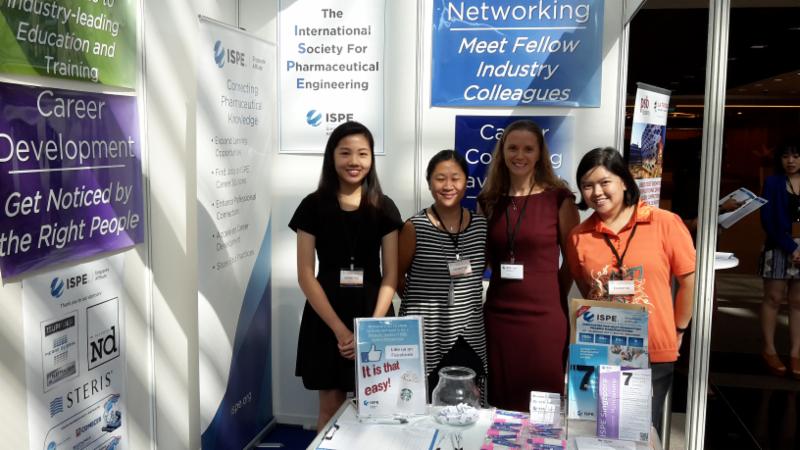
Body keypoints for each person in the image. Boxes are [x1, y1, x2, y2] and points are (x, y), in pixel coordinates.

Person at [565, 147, 696, 439]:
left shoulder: (664, 223)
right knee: (599, 433)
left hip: (652, 348)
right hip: (599, 349)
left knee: (638, 434)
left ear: (624, 181)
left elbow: (689, 282)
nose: (597, 192)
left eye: (604, 182)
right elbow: (587, 289)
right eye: (587, 185)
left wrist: (679, 328)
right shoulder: (579, 236)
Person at [289, 121, 402, 431]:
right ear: (332, 157)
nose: (354, 161)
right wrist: (341, 331)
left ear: (371, 159)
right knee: (330, 411)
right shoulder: (312, 206)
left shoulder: (384, 207)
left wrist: (371, 330)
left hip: (373, 314)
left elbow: (391, 275)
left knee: (377, 410)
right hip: (327, 318)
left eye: (362, 153)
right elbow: (305, 275)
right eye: (345, 153)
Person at [477, 119, 580, 411]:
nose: (519, 155)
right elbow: (484, 256)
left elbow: (572, 261)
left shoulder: (559, 199)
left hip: (545, 319)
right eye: (512, 148)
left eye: (528, 149)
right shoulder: (488, 201)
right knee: (502, 405)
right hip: (499, 318)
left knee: (543, 408)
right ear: (502, 152)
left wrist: (551, 294)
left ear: (539, 154)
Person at [398, 150, 488, 401]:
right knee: (423, 403)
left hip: (469, 334)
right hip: (427, 333)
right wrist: (423, 306)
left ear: (466, 183)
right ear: (429, 183)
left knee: (468, 406)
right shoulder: (414, 227)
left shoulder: (481, 227)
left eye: (455, 178)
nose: (448, 186)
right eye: (440, 178)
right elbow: (397, 277)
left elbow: (480, 271)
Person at [758, 140, 800, 378]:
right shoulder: (773, 182)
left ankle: (796, 353)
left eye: (795, 156)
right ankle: (769, 349)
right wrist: (792, 247)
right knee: (773, 298)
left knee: (797, 302)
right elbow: (767, 220)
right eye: (786, 156)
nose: (791, 161)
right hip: (778, 246)